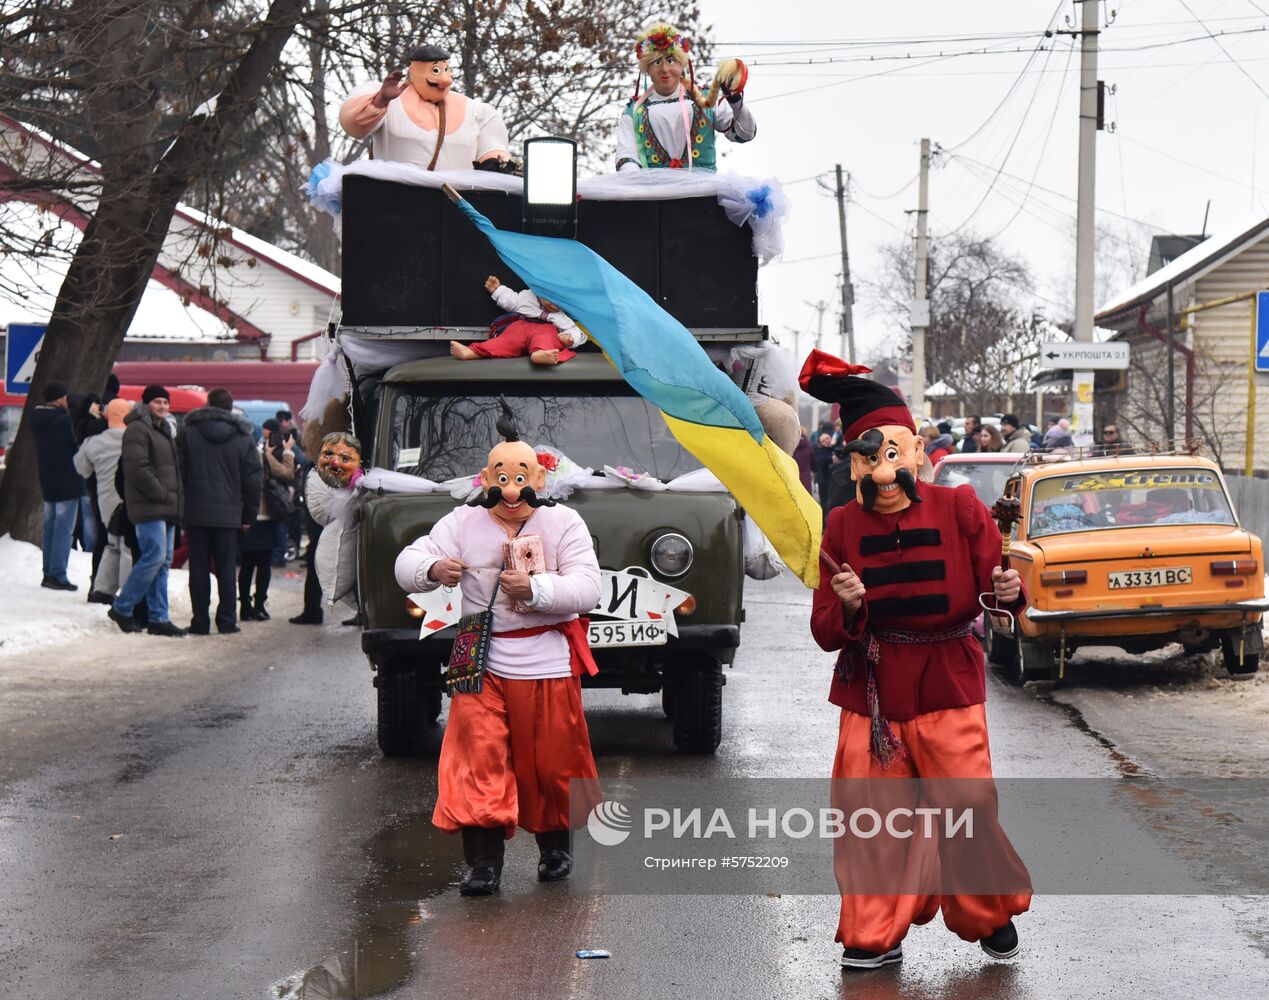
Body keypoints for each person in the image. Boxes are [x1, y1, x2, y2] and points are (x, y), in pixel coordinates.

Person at [800, 349, 1031, 971]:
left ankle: (986, 910)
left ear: (917, 453)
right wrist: (848, 608)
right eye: (869, 458)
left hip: (947, 680)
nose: (883, 471)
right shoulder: (841, 526)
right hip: (871, 690)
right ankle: (872, 931)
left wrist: (1009, 593)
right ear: (853, 464)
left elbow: (998, 585)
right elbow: (825, 631)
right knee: (870, 817)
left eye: (892, 454)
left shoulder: (960, 508)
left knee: (967, 808)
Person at [394, 424, 603, 896]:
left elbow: (590, 588)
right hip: (480, 661)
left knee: (552, 762)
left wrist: (537, 589)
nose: (512, 490)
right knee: (477, 759)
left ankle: (555, 849)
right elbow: (406, 561)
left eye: (522, 476)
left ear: (541, 480)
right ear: (486, 480)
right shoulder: (460, 523)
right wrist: (431, 568)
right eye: (502, 478)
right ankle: (483, 864)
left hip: (546, 659)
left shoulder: (565, 523)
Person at [339, 44, 512, 171]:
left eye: (446, 69)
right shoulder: (385, 96)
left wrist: (496, 163)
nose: (445, 79)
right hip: (393, 208)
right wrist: (380, 100)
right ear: (415, 70)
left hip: (454, 212)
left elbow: (494, 153)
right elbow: (353, 125)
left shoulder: (477, 111)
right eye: (435, 70)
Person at [616, 22, 756, 172]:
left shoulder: (706, 100)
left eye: (670, 60)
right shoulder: (633, 112)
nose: (664, 69)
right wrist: (639, 187)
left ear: (682, 64)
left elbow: (745, 133)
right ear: (647, 69)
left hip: (703, 192)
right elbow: (626, 157)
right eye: (657, 62)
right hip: (655, 193)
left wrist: (735, 101)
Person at [180, 388, 261, 635]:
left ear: (207, 404)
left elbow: (179, 473)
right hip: (228, 515)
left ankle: (200, 621)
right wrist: (249, 515)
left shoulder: (187, 432)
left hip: (195, 512)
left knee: (199, 569)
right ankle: (227, 621)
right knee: (226, 569)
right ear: (230, 407)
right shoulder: (243, 436)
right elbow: (253, 479)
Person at [109, 385, 186, 637]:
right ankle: (122, 606)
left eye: (165, 402)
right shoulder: (138, 429)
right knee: (154, 556)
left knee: (163, 561)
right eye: (157, 402)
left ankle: (158, 617)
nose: (162, 406)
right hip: (150, 504)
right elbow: (137, 468)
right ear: (146, 404)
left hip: (166, 505)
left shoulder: (164, 429)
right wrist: (161, 492)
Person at [450, 275, 588, 366]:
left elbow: (577, 331)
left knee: (545, 337)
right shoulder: (528, 297)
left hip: (545, 329)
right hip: (522, 326)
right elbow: (512, 300)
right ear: (539, 294)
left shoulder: (562, 316)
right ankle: (471, 352)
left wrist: (570, 338)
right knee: (504, 341)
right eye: (549, 300)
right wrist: (497, 290)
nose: (554, 305)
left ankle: (539, 354)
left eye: (559, 302)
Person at [74, 398, 133, 604]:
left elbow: (82, 468)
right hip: (130, 500)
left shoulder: (95, 442)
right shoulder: (134, 438)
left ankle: (102, 589)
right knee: (127, 548)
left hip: (105, 501)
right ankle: (128, 594)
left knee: (112, 544)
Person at [30, 380, 85, 590]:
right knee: (64, 529)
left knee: (51, 526)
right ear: (60, 399)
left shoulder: (38, 419)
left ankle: (48, 572)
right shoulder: (64, 421)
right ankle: (58, 574)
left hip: (48, 478)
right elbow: (77, 441)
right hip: (68, 479)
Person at [239, 420, 295, 622]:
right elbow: (287, 473)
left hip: (247, 517)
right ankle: (259, 605)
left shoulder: (241, 454)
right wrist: (286, 452)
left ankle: (245, 606)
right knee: (263, 566)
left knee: (247, 565)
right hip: (265, 516)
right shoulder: (263, 454)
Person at [305, 431, 364, 618]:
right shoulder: (315, 480)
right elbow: (322, 511)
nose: (335, 462)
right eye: (329, 454)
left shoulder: (361, 485)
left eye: (345, 458)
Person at [793, 426, 815, 493]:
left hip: (793, 475)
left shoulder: (791, 445)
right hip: (805, 476)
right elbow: (813, 463)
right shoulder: (809, 446)